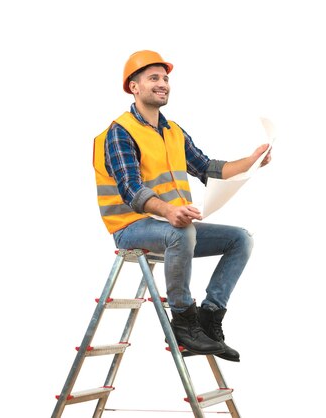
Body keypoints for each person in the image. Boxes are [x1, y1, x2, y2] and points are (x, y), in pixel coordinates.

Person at [92, 50, 271, 362]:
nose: (163, 84)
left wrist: (251, 162)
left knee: (240, 238)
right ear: (134, 87)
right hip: (131, 227)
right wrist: (170, 211)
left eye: (165, 78)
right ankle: (183, 323)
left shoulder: (172, 131)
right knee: (182, 233)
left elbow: (208, 168)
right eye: (153, 78)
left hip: (170, 225)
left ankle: (209, 320)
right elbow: (130, 188)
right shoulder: (119, 132)